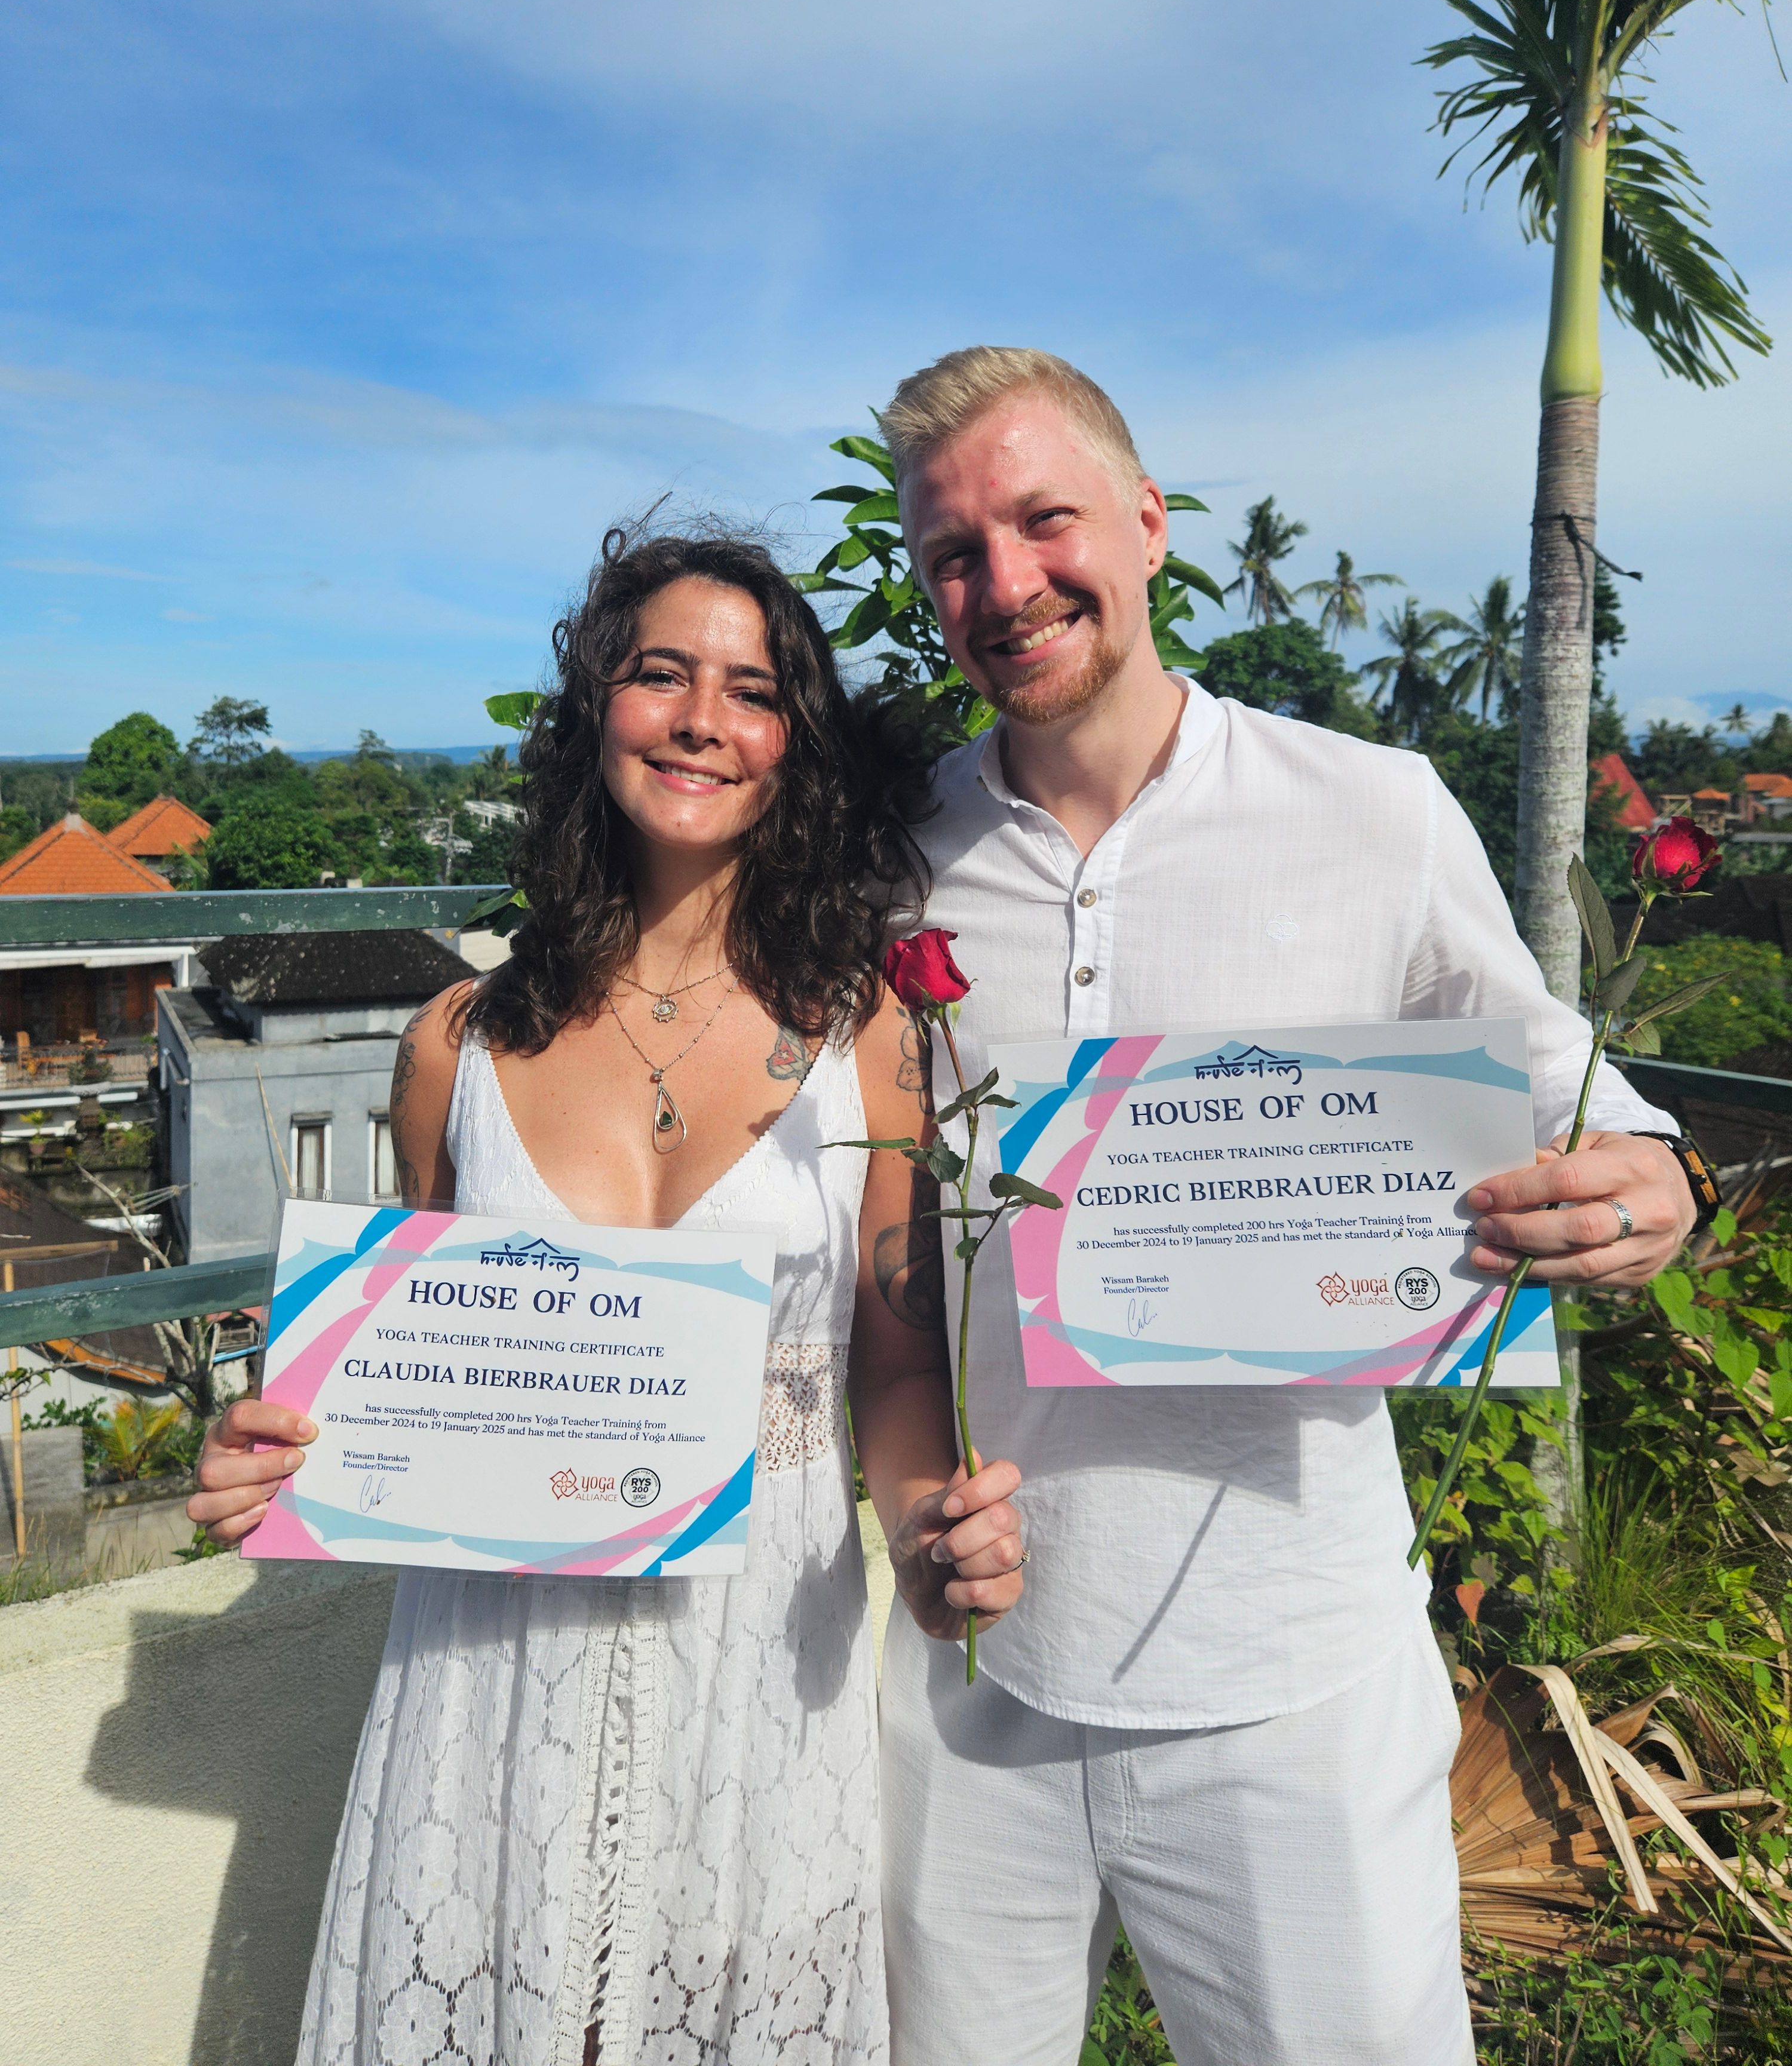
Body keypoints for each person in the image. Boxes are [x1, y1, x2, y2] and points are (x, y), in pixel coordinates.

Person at [870, 348, 1701, 2066]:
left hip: (1290, 1666)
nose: (1004, 584)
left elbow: (1562, 1082)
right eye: (955, 553)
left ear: (1152, 524)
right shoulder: (892, 853)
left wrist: (1651, 1184)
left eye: (1044, 521)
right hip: (968, 1666)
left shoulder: (1368, 810)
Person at [187, 531, 1026, 2066]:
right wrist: (282, 1439)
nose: (704, 716)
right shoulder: (458, 1040)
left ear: (794, 745)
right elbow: (413, 1355)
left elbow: (896, 1368)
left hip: (766, 1659)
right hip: (491, 1670)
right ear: (595, 714)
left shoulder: (874, 1035)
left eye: (753, 689)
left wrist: (923, 1534)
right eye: (661, 673)